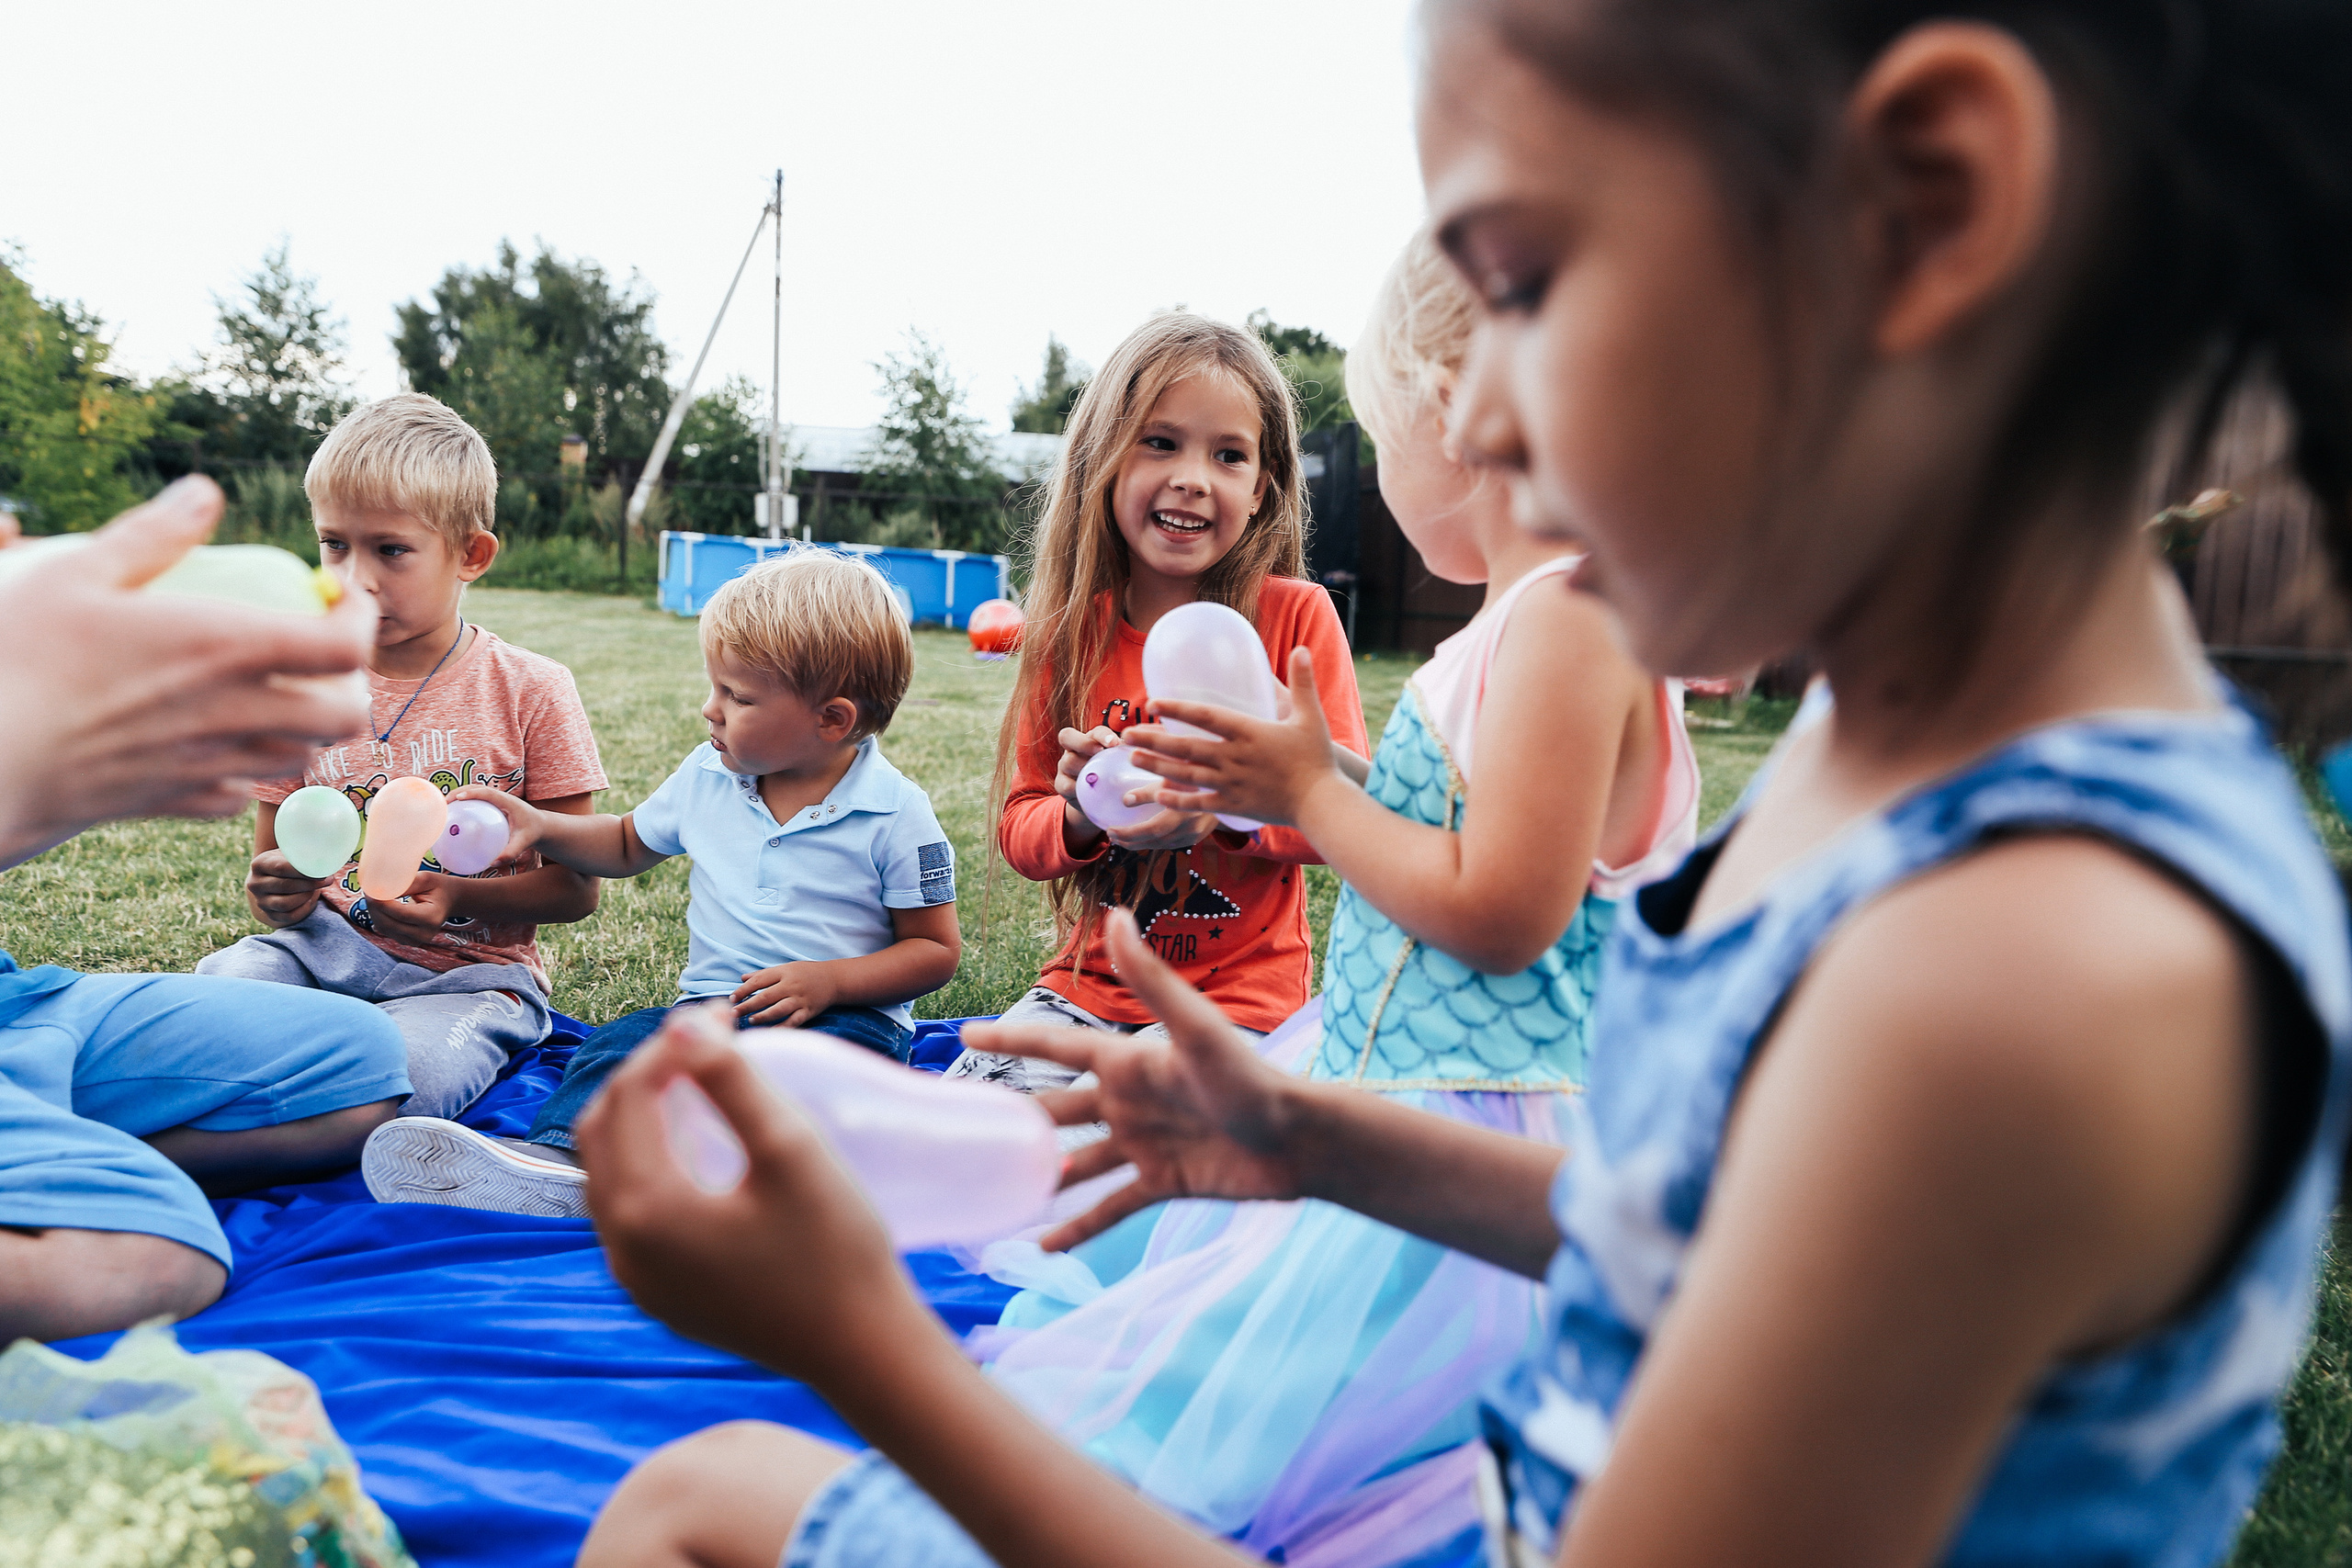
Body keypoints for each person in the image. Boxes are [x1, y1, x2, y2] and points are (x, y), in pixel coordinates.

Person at [576, 4, 2352, 1567]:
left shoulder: (2020, 973)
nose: (1474, 422)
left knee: (706, 1493)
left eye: (1517, 281)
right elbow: (1702, 1231)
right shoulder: (1886, 757)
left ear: (1932, 204)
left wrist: (855, 1342)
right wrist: (1306, 1138)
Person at [951, 231, 1701, 1565]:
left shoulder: (1569, 625)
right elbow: (1441, 819)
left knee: (1278, 1414)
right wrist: (1295, 774)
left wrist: (1306, 788)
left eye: (1372, 429)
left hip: (1468, 1114)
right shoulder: (1531, 622)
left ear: (1454, 416)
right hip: (1388, 1068)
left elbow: (1501, 911)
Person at [358, 547, 963, 1216]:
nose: (711, 709)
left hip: (844, 1022)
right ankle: (563, 1164)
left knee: (799, 1085)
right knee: (619, 1049)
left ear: (832, 719)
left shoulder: (896, 814)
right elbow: (623, 843)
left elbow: (935, 951)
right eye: (715, 687)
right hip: (713, 1008)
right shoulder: (709, 776)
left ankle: (769, 1184)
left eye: (737, 696)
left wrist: (831, 981)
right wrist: (540, 827)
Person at [1, 478, 412, 1344]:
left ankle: (49, 1139)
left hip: (15, 1005)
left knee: (365, 1067)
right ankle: (64, 1171)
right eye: (337, 544)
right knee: (157, 1245)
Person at [944, 311, 1368, 1097]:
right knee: (965, 1132)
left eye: (1229, 454)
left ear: (1261, 486)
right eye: (1161, 441)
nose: (1193, 477)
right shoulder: (1070, 634)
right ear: (1103, 460)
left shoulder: (1296, 619)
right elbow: (1021, 826)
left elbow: (1343, 817)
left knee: (1130, 1151)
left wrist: (1224, 801)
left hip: (1236, 1006)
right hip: (1086, 992)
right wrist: (1079, 813)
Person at [197, 395, 608, 1122]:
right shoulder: (300, 684)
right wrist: (276, 892)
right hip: (317, 954)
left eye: (389, 549)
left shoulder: (533, 690)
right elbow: (271, 877)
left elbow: (576, 888)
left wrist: (460, 898)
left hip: (471, 982)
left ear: (471, 555)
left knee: (405, 1079)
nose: (353, 576)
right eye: (333, 545)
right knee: (207, 1009)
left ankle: (323, 1120)